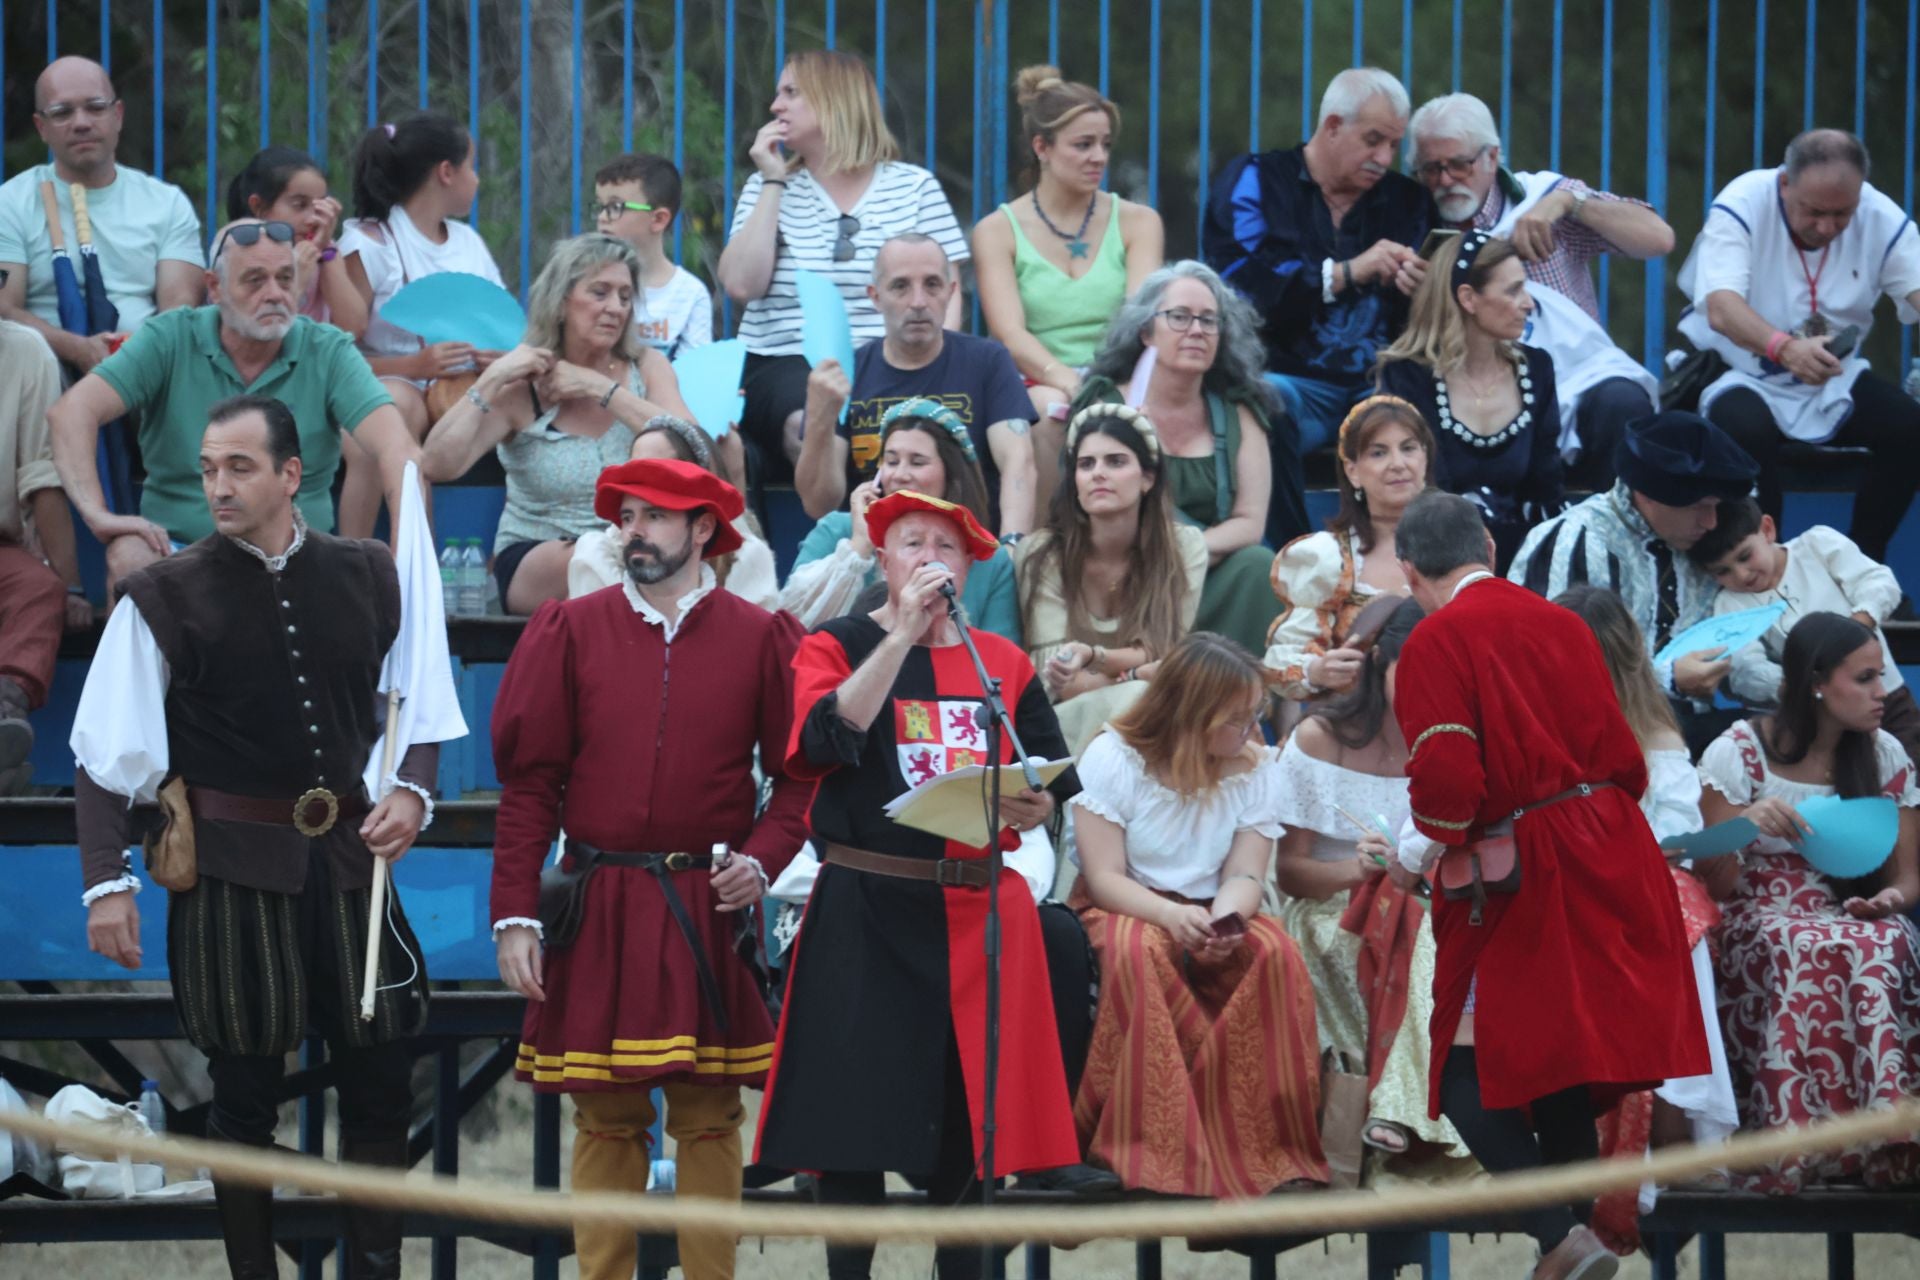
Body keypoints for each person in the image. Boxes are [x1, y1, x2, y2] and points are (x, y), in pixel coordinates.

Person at [72, 394, 451, 1280]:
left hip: (352, 866)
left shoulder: (366, 571)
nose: (218, 486)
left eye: (239, 467)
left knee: (381, 1083)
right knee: (244, 1099)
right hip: (232, 873)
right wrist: (106, 883)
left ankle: (375, 1273)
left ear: (291, 474)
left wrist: (413, 791)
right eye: (208, 469)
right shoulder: (165, 594)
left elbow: (422, 695)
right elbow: (103, 753)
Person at [491, 458, 807, 1280]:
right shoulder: (569, 629)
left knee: (708, 1116)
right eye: (626, 517)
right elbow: (530, 788)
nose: (634, 532)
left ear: (703, 529)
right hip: (598, 902)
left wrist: (760, 862)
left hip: (707, 904)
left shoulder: (760, 635)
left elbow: (799, 781)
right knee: (604, 1117)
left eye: (655, 516)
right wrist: (515, 914)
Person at [756, 489, 1080, 1280]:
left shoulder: (1001, 662)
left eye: (946, 547)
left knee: (971, 1129)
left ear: (968, 569)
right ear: (883, 560)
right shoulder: (834, 644)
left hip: (973, 914)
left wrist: (1033, 803)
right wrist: (900, 633)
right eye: (912, 543)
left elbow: (1047, 777)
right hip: (865, 909)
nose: (930, 559)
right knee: (850, 1132)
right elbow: (820, 744)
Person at [1389, 491, 1706, 1280]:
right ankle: (1571, 1242)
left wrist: (1413, 851)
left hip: (1526, 871)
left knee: (1460, 1073)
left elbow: (1449, 785)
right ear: (1490, 549)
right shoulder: (1564, 623)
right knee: (1564, 1066)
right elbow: (1625, 758)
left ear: (1409, 572)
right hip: (1611, 849)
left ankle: (1559, 1236)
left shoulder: (1436, 638)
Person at [1069, 633, 1328, 1196]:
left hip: (1212, 907)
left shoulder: (1255, 768)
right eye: (1237, 718)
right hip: (1129, 901)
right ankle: (1150, 1152)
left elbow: (1246, 874)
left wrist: (1225, 922)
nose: (1251, 729)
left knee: (1274, 954)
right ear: (1192, 713)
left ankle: (1264, 1150)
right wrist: (1170, 915)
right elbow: (1105, 876)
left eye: (1255, 712)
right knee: (1139, 953)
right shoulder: (1114, 757)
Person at [46, 217, 422, 596]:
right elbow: (72, 413)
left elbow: (399, 450)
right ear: (215, 288)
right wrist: (97, 515)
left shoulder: (327, 349)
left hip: (296, 560)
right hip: (179, 551)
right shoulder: (170, 337)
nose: (275, 294)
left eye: (285, 279)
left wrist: (405, 564)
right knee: (130, 556)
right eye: (255, 280)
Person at [1694, 612, 1920, 1194]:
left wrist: (1890, 899)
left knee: (1888, 939)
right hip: (1752, 910)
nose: (1883, 691)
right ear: (1817, 683)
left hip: (1845, 907)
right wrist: (1743, 826)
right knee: (1800, 944)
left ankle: (1882, 1142)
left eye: (1881, 676)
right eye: (1866, 678)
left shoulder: (1884, 754)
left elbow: (1909, 878)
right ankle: (1797, 1145)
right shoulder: (1739, 752)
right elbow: (1710, 883)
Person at [1555, 584, 1739, 1239]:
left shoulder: (1654, 729)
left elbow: (1677, 832)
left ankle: (1674, 1128)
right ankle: (1646, 1133)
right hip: (1562, 884)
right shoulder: (1539, 722)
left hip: (1640, 877)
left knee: (1676, 915)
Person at [1269, 597, 1469, 1162]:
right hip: (1337, 911)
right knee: (1421, 936)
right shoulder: (1319, 739)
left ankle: (1427, 1108)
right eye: (1416, 674)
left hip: (1431, 906)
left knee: (1433, 931)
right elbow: (1290, 874)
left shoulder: (1453, 740)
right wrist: (1358, 870)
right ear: (1382, 662)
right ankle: (1405, 1107)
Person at [716, 49, 968, 481]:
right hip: (784, 360)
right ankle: (849, 520)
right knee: (811, 425)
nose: (775, 106)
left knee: (906, 431)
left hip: (892, 355)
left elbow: (947, 293)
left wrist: (932, 362)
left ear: (835, 99)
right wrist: (773, 180)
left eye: (791, 93)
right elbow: (741, 285)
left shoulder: (915, 187)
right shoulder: (766, 185)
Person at [418, 233, 696, 615]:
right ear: (562, 300)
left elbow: (692, 447)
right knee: (597, 559)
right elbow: (435, 464)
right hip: (541, 556)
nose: (615, 308)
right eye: (600, 293)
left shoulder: (646, 367)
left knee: (703, 553)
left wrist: (600, 388)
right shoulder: (523, 384)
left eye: (625, 297)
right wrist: (492, 379)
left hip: (639, 547)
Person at [1678, 129, 1920, 564]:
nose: (1826, 227)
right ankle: (1770, 569)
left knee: (1909, 427)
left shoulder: (1879, 214)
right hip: (1741, 372)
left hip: (1832, 377)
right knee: (1745, 429)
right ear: (1785, 183)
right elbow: (1721, 307)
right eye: (1814, 212)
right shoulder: (1745, 201)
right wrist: (1785, 349)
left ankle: (1864, 565)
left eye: (1842, 214)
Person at [1407, 92, 1665, 487]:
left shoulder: (1542, 198)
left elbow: (1658, 239)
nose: (1444, 180)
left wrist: (1569, 204)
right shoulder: (1411, 220)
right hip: (1472, 387)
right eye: (1431, 168)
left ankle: (1610, 522)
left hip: (1575, 377)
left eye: (1459, 164)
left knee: (1622, 402)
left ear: (1492, 157)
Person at [1071, 260, 1307, 652]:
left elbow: (1249, 524)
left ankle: (1243, 688)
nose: (1196, 330)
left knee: (1256, 564)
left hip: (1206, 573)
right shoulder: (1105, 406)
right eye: (1179, 317)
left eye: (1209, 320)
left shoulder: (1240, 412)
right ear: (1146, 331)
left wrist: (1183, 554)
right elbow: (1083, 512)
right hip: (1128, 570)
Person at [1203, 67, 1435, 461]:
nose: (1384, 158)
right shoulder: (1255, 180)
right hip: (1284, 377)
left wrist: (1424, 288)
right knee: (1265, 401)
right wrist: (1347, 273)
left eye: (1394, 145)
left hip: (1381, 381)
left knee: (1419, 402)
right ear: (1332, 126)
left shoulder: (1410, 202)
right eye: (1373, 140)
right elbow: (1242, 292)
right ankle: (1279, 509)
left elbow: (1439, 311)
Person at [1510, 411, 1761, 757]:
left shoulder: (1706, 540)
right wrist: (1668, 678)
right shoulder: (1575, 541)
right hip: (1593, 743)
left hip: (1690, 734)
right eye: (1698, 506)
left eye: (1716, 506)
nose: (1710, 521)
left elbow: (1738, 648)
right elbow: (1554, 672)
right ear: (1649, 496)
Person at [972, 65, 1165, 499]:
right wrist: (1066, 379)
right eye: (1083, 144)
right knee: (1048, 413)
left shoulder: (1139, 221)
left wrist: (1104, 384)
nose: (1099, 156)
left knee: (1137, 410)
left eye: (1105, 144)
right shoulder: (997, 230)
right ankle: (1046, 537)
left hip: (1121, 372)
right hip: (1036, 379)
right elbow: (1009, 333)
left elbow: (1140, 320)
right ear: (1042, 147)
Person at [333, 111, 506, 536]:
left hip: (464, 389)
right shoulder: (370, 244)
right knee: (389, 410)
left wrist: (494, 356)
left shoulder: (468, 242)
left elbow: (503, 329)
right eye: (471, 166)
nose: (477, 178)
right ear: (446, 172)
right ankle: (359, 557)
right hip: (392, 383)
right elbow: (334, 355)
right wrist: (413, 366)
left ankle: (432, 561)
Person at [794, 234, 1036, 535]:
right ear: (875, 297)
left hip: (969, 545)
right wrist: (820, 419)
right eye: (900, 286)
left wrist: (1011, 546)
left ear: (950, 292)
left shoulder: (988, 361)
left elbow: (1018, 463)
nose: (918, 302)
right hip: (871, 548)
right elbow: (818, 504)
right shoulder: (846, 374)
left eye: (932, 284)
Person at [1013, 404, 1207, 755]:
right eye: (1086, 464)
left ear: (1148, 478)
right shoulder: (1041, 552)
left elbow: (1167, 656)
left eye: (1115, 462)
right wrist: (1135, 674)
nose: (1098, 474)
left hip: (1154, 705)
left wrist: (1094, 657)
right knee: (1142, 695)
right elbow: (1057, 679)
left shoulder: (1184, 547)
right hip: (1064, 725)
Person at [0, 56, 204, 373]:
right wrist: (77, 349)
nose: (81, 123)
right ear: (41, 127)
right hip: (44, 372)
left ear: (117, 115)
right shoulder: (10, 203)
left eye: (95, 108)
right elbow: (5, 311)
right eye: (62, 112)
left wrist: (128, 356)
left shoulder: (167, 204)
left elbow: (178, 311)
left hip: (145, 366)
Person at [1375, 231, 1565, 569]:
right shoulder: (1407, 376)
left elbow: (1545, 489)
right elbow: (1421, 492)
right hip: (1434, 558)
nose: (1528, 303)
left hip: (1520, 557)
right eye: (1513, 290)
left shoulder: (1536, 368)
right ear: (1468, 298)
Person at [1688, 496, 1920, 763]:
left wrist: (1856, 627)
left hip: (1886, 698)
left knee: (1911, 770)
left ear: (1767, 530)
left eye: (1745, 556)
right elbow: (1745, 670)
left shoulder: (1816, 546)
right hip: (1818, 724)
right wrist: (1802, 685)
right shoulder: (1729, 604)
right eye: (1722, 571)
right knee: (1846, 781)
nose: (1741, 575)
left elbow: (1878, 582)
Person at [780, 397, 1021, 639]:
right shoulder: (837, 530)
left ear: (952, 474)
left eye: (917, 462)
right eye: (892, 461)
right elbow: (793, 625)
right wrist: (859, 546)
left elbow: (1001, 656)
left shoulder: (991, 560)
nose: (900, 475)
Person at [1265, 395, 1433, 701]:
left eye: (1408, 448)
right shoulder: (1328, 558)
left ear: (1425, 458)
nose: (1398, 464)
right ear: (1353, 471)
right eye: (1379, 453)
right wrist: (1318, 669)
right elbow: (1280, 662)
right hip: (1360, 721)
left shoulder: (1460, 542)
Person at [0, 322, 89, 795]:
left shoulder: (24, 349)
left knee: (39, 588)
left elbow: (41, 474)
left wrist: (70, 585)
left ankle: (4, 713)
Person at [567, 415, 778, 610]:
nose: (644, 480)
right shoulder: (602, 552)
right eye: (636, 467)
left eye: (661, 469)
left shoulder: (746, 555)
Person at [593, 152, 713, 359]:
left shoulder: (690, 294)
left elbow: (693, 372)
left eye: (615, 207)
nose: (603, 217)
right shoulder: (583, 282)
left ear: (658, 219)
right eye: (600, 206)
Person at [226, 145, 349, 324]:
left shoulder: (325, 249)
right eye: (299, 205)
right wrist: (295, 278)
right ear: (258, 207)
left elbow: (353, 326)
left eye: (319, 207)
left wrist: (325, 253)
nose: (312, 219)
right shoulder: (236, 258)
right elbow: (253, 332)